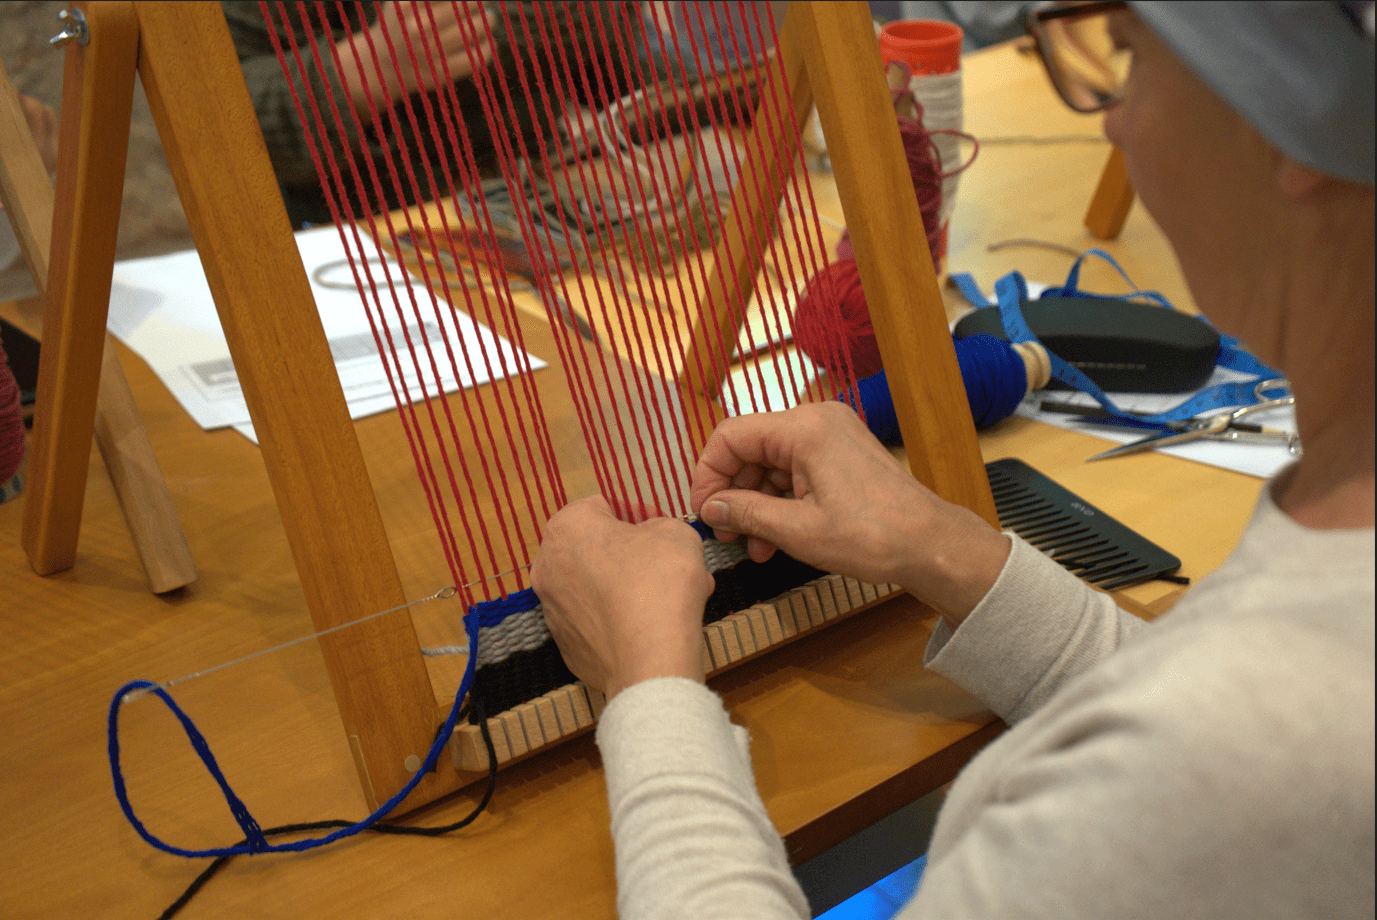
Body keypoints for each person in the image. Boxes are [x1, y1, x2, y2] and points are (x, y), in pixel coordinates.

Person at [531, 2, 1375, 918]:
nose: (1113, 120)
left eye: (1126, 56)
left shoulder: (1255, 737)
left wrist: (646, 682)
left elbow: (1218, 762)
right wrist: (948, 552)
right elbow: (1228, 761)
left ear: (1301, 111)